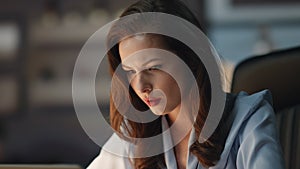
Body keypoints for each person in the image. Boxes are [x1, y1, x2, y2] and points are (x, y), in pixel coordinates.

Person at [87, 0, 284, 168]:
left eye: (153, 68)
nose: (140, 86)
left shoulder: (248, 118)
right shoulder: (136, 133)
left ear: (191, 58)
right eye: (130, 71)